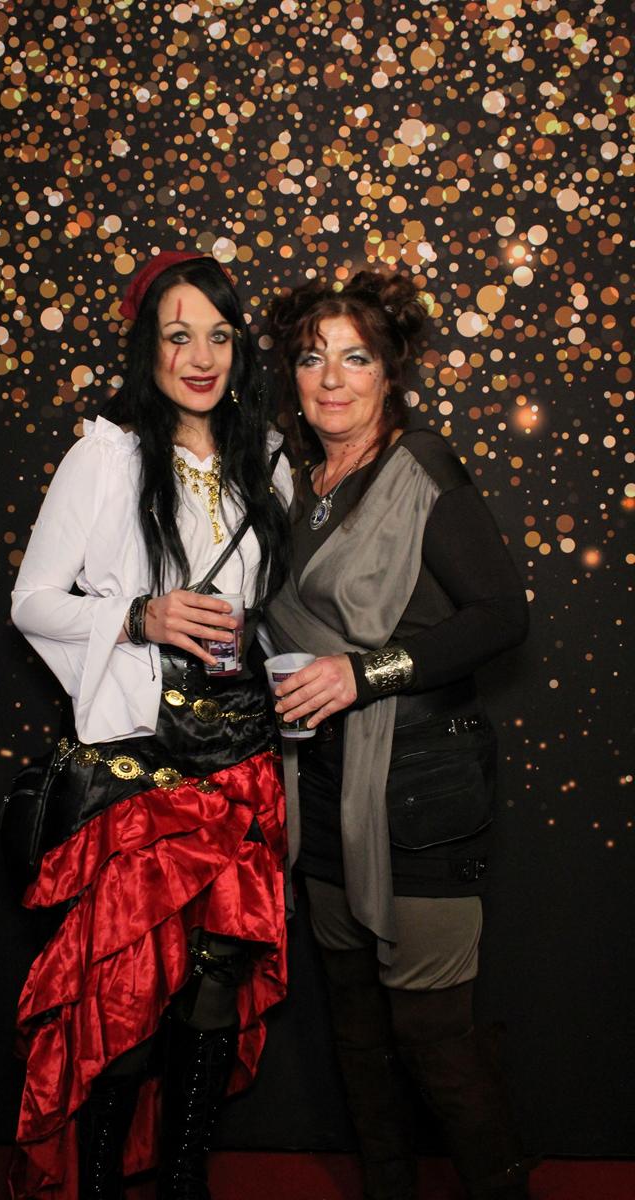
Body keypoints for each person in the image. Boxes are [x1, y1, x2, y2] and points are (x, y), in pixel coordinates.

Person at [9, 251, 292, 1200]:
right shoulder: (107, 457)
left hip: (239, 764)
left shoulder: (269, 464)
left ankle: (183, 1182)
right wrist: (140, 616)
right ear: (149, 347)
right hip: (141, 769)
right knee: (124, 988)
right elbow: (31, 602)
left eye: (219, 336)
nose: (201, 357)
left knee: (216, 981)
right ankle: (97, 1186)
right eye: (179, 336)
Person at [265, 267, 531, 1200]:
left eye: (356, 358)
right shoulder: (294, 485)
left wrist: (362, 673)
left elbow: (502, 616)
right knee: (355, 1022)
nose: (333, 379)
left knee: (432, 1035)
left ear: (390, 372)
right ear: (294, 377)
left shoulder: (421, 468)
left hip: (420, 788)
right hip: (323, 788)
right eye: (313, 359)